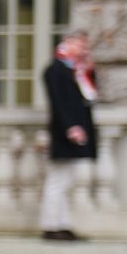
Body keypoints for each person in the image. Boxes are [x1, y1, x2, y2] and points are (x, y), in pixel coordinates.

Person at [40, 32, 99, 242]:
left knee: (67, 182)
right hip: (64, 133)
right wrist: (70, 127)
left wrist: (88, 70)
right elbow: (58, 104)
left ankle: (62, 225)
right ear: (68, 44)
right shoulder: (55, 70)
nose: (84, 48)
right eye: (80, 44)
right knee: (57, 180)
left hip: (75, 132)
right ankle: (50, 225)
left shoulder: (77, 71)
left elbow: (90, 97)